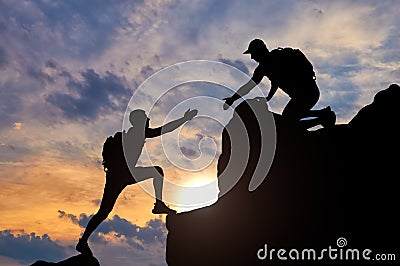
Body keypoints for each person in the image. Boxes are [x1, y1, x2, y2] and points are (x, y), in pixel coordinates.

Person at [76, 108, 198, 256]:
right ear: (139, 121)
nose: (148, 119)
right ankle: (159, 204)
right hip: (122, 174)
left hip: (118, 176)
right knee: (156, 172)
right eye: (145, 117)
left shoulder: (136, 133)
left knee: (104, 211)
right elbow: (163, 130)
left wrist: (184, 119)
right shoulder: (137, 133)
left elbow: (161, 130)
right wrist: (184, 119)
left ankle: (83, 241)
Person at [223, 38, 335, 129]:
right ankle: (323, 114)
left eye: (253, 53)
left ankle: (322, 117)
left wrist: (233, 99)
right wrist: (233, 99)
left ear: (259, 51)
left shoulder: (269, 63)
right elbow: (262, 84)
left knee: (287, 120)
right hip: (307, 93)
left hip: (307, 93)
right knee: (289, 117)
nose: (252, 57)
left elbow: (264, 83)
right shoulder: (269, 63)